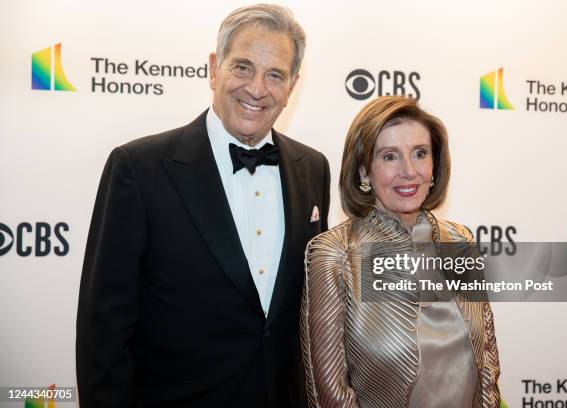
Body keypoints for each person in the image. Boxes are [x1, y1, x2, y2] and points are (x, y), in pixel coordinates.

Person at [76, 4, 330, 407]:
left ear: (292, 86)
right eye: (242, 67)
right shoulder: (139, 169)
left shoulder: (312, 168)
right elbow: (104, 329)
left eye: (275, 75)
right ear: (214, 68)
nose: (257, 88)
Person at [300, 96, 500, 407]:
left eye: (420, 154)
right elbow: (330, 394)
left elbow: (487, 363)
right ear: (365, 170)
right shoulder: (335, 254)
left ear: (435, 164)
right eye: (390, 156)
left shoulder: (459, 241)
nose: (409, 171)